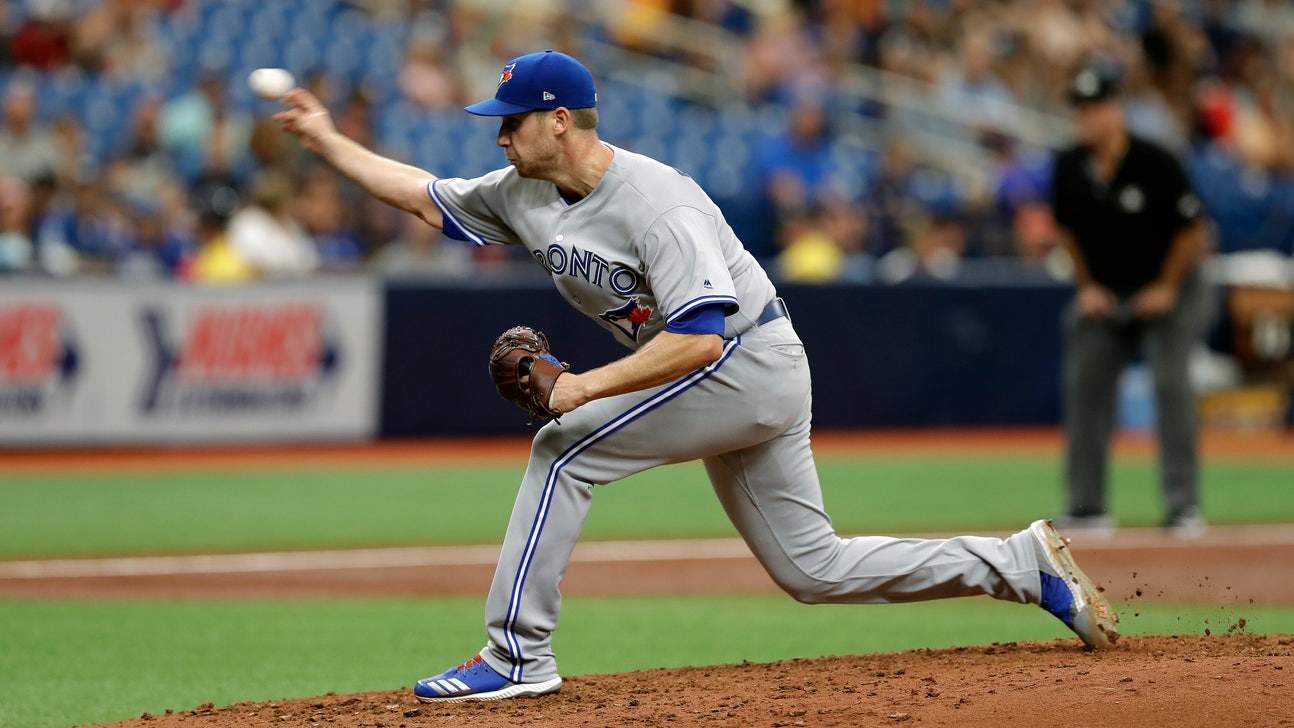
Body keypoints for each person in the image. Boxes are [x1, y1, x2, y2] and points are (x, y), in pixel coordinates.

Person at [275, 50, 1119, 703]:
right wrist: (327, 141)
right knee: (812, 570)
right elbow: (424, 196)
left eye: (512, 121)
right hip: (733, 370)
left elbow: (699, 342)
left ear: (559, 120)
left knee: (563, 447)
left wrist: (577, 389)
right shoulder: (522, 191)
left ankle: (517, 654)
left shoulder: (656, 201)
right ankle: (1015, 564)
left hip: (748, 361)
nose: (499, 135)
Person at [1050, 63, 1209, 538]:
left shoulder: (1156, 160)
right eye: (1079, 109)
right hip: (1110, 291)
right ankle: (1087, 504)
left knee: (1170, 381)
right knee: (1086, 379)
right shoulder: (1069, 164)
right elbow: (1067, 231)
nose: (1085, 118)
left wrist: (1164, 287)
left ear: (1116, 109)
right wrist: (1087, 287)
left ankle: (1183, 505)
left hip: (1173, 287)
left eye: (1094, 107)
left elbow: (1191, 232)